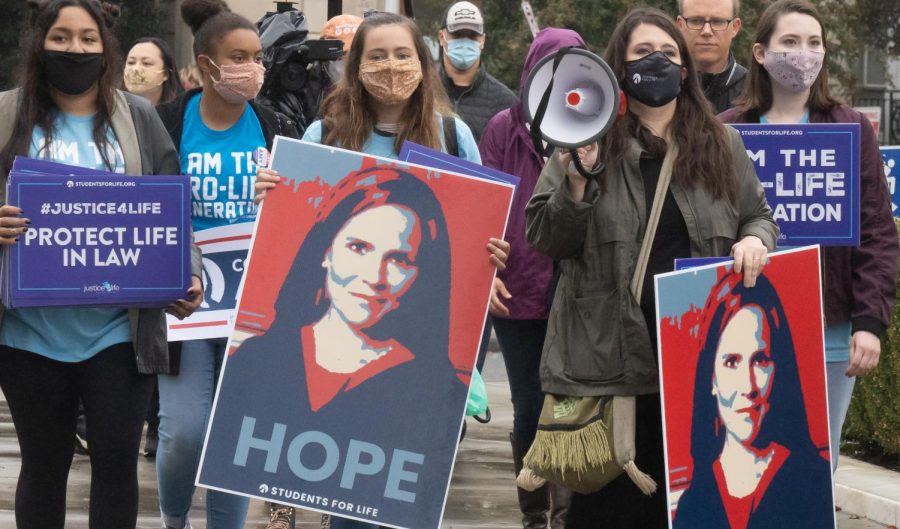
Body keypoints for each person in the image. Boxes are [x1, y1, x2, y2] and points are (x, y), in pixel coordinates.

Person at [524, 8, 778, 528]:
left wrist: (754, 239)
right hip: (607, 362)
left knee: (687, 507)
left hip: (694, 359)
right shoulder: (581, 140)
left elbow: (758, 216)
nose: (656, 62)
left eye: (667, 53)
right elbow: (544, 237)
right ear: (616, 66)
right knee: (604, 510)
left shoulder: (721, 144)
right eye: (642, 53)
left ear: (685, 69)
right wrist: (577, 182)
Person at [254, 12, 509, 529]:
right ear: (355, 65)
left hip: (415, 350)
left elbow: (478, 230)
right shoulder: (323, 132)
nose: (390, 67)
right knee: (351, 503)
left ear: (423, 62)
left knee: (400, 503)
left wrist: (494, 256)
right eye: (376, 55)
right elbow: (296, 233)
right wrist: (271, 198)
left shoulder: (453, 135)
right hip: (338, 349)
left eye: (402, 55)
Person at [0, 1, 203, 528]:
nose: (75, 49)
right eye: (62, 37)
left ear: (104, 46)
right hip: (28, 336)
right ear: (38, 43)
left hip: (120, 334)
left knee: (116, 466)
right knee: (43, 466)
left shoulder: (137, 117)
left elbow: (172, 209)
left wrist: (190, 272)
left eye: (87, 39)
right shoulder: (4, 113)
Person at [719, 0, 898, 473]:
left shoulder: (851, 128)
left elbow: (878, 233)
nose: (805, 54)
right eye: (790, 43)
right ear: (760, 53)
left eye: (814, 43)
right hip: (744, 326)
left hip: (831, 333)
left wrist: (870, 322)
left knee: (815, 470)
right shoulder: (728, 131)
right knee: (747, 464)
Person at [154, 0, 298, 528]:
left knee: (236, 437)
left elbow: (305, 214)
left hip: (253, 304)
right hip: (185, 304)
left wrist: (283, 198)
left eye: (257, 56)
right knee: (184, 430)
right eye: (237, 56)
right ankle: (174, 518)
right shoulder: (167, 123)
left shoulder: (276, 126)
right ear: (204, 66)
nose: (252, 68)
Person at [479, 27, 586, 529]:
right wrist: (488, 275)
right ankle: (533, 514)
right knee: (529, 403)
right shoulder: (503, 127)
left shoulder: (593, 123)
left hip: (576, 290)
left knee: (568, 401)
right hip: (518, 288)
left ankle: (565, 513)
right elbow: (489, 202)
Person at [673, 272, 833, 528]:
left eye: (760, 359)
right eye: (732, 362)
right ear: (711, 378)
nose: (748, 386)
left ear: (778, 368)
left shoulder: (813, 479)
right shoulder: (692, 502)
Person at [123, 35, 184, 459]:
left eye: (147, 62)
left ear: (167, 73)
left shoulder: (173, 121)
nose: (137, 69)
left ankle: (155, 420)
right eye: (131, 61)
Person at [437, 1, 517, 142]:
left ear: (482, 40)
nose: (464, 41)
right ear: (441, 38)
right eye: (457, 34)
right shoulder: (421, 91)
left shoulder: (505, 102)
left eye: (472, 35)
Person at [676, 0, 746, 113]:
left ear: (735, 27)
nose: (706, 31)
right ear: (680, 25)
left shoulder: (755, 92)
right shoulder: (661, 87)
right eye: (696, 21)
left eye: (718, 22)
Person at [124, 37, 183, 106]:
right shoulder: (113, 109)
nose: (136, 69)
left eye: (146, 63)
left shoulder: (182, 111)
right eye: (131, 62)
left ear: (166, 74)